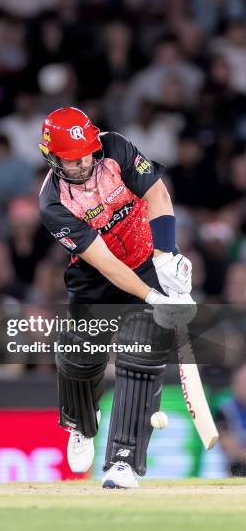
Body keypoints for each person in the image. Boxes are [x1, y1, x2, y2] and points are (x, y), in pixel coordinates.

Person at [38, 106, 194, 489]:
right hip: (96, 277)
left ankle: (123, 461)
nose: (85, 163)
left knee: (141, 356)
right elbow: (106, 264)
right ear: (52, 158)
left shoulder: (116, 149)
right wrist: (156, 298)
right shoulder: (53, 203)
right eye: (73, 161)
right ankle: (79, 423)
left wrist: (166, 256)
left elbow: (157, 193)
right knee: (79, 356)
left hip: (144, 261)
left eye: (88, 153)